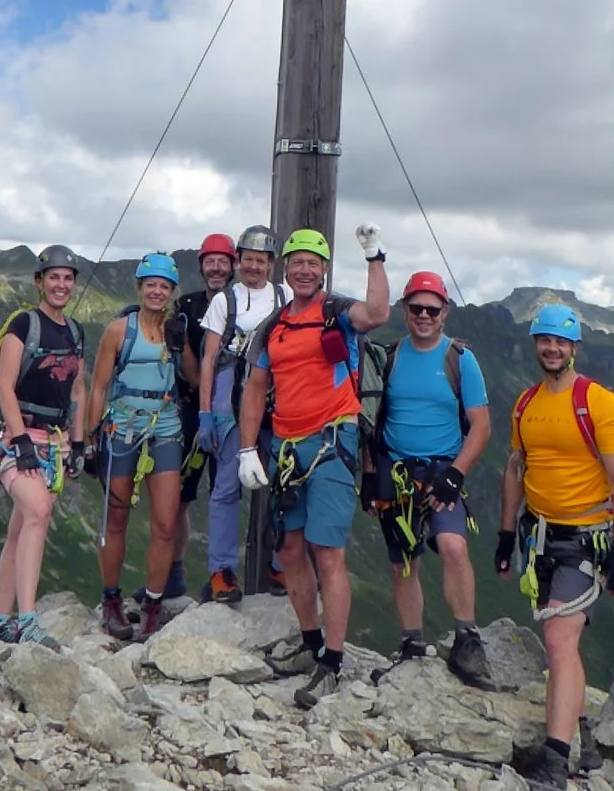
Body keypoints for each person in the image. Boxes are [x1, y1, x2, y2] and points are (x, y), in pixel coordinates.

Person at [238, 223, 390, 708]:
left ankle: (333, 661)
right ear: (287, 268)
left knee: (328, 553)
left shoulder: (337, 313)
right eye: (297, 262)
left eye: (313, 263)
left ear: (324, 269)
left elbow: (379, 313)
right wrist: (247, 449)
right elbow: (256, 388)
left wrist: (374, 256)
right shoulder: (275, 324)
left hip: (331, 440)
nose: (304, 270)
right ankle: (309, 644)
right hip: (287, 446)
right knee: (289, 550)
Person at [496, 303, 614, 791]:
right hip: (540, 539)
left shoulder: (598, 402)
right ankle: (586, 739)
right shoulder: (525, 404)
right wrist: (504, 533)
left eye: (560, 341)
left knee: (557, 640)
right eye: (544, 340)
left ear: (574, 348)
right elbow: (516, 468)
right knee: (565, 646)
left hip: (585, 539)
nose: (551, 348)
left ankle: (555, 764)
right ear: (536, 344)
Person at [364, 270, 493, 689]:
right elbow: (371, 419)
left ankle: (467, 638)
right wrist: (369, 476)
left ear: (444, 313)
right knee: (404, 560)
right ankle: (411, 642)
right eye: (416, 308)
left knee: (454, 546)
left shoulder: (460, 359)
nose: (423, 315)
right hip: (396, 471)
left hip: (442, 470)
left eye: (431, 309)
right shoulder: (390, 357)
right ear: (404, 310)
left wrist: (455, 474)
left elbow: (482, 425)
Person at [86, 252, 198, 642]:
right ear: (139, 288)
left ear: (170, 292)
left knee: (166, 524)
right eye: (150, 284)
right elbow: (98, 386)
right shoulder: (119, 330)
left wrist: (186, 344)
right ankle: (112, 600)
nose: (156, 291)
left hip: (165, 426)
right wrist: (88, 439)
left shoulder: (174, 329)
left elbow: (193, 377)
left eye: (163, 286)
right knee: (115, 520)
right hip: (122, 427)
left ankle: (152, 604)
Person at [0, 245, 86, 650]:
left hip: (55, 443)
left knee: (20, 529)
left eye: (67, 278)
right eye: (54, 277)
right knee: (38, 513)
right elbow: (4, 385)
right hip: (17, 438)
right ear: (39, 282)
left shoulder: (76, 331)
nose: (61, 285)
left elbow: (77, 390)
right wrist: (21, 441)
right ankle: (27, 622)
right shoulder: (23, 326)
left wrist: (79, 443)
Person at [198, 224, 290, 603]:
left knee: (284, 482)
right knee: (226, 487)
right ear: (239, 261)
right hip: (232, 401)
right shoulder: (225, 301)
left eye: (261, 260)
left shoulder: (284, 296)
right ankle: (222, 572)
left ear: (271, 264)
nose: (254, 267)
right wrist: (206, 413)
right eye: (248, 259)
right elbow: (209, 358)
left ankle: (281, 564)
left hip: (279, 398)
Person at [167, 233, 237, 599]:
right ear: (202, 265)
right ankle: (174, 572)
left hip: (236, 413)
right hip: (193, 411)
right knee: (182, 493)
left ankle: (223, 572)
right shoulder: (188, 306)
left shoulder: (244, 303)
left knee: (227, 492)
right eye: (210, 261)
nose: (215, 267)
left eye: (222, 261)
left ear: (233, 265)